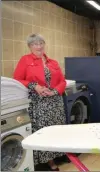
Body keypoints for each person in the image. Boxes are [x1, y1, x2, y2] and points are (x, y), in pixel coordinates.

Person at [13, 33, 66, 171]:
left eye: (41, 43)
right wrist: (34, 86)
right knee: (43, 131)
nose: (39, 46)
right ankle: (49, 161)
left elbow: (62, 81)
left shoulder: (52, 62)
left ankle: (57, 155)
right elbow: (17, 79)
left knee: (56, 130)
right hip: (39, 103)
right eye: (35, 44)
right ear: (30, 46)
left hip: (55, 102)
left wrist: (54, 91)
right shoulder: (25, 60)